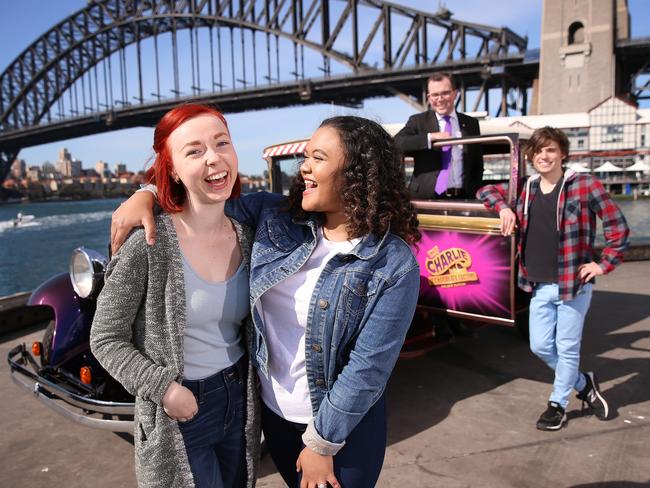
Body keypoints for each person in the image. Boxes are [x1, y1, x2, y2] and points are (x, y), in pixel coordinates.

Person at [111, 116, 421, 488]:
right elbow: (204, 202)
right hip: (273, 417)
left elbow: (368, 369)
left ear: (357, 173)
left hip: (340, 432)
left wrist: (321, 444)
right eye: (305, 156)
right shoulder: (276, 216)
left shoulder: (393, 263)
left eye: (318, 158)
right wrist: (147, 193)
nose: (304, 167)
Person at [90, 104, 259, 488]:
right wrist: (164, 389)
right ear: (173, 170)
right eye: (194, 151)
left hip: (239, 398)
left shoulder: (248, 236)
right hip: (179, 408)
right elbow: (105, 338)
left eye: (222, 143)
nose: (214, 158)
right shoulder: (148, 243)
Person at [477, 126, 630, 431]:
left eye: (551, 150)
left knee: (567, 347)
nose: (544, 156)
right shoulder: (527, 187)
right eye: (538, 151)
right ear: (531, 156)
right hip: (538, 285)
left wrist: (603, 265)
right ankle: (584, 384)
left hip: (573, 285)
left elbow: (617, 226)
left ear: (562, 154)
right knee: (540, 346)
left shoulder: (583, 184)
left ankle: (557, 406)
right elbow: (485, 191)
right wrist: (505, 207)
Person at [394, 72, 484, 200]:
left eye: (445, 93)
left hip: (463, 198)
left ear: (455, 93)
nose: (440, 99)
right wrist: (430, 138)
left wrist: (474, 190)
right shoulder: (418, 121)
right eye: (435, 95)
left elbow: (477, 164)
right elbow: (396, 143)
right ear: (429, 97)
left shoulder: (471, 124)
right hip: (425, 198)